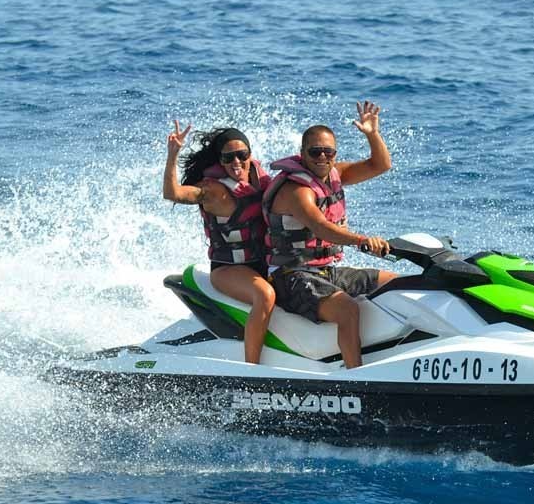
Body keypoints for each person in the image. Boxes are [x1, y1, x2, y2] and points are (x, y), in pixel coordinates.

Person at [262, 100, 397, 368]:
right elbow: (321, 227)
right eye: (315, 151)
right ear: (302, 153)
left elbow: (380, 165)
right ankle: (355, 376)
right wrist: (362, 240)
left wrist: (372, 134)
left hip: (326, 272)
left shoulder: (335, 174)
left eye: (328, 151)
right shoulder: (296, 192)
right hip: (291, 277)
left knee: (396, 283)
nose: (322, 157)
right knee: (348, 309)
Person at [162, 121, 276, 364]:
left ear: (250, 155)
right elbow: (173, 193)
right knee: (265, 295)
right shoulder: (212, 191)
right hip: (228, 269)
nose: (236, 162)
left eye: (242, 155)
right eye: (228, 157)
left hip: (263, 264)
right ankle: (252, 368)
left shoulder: (261, 180)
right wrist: (173, 155)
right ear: (220, 161)